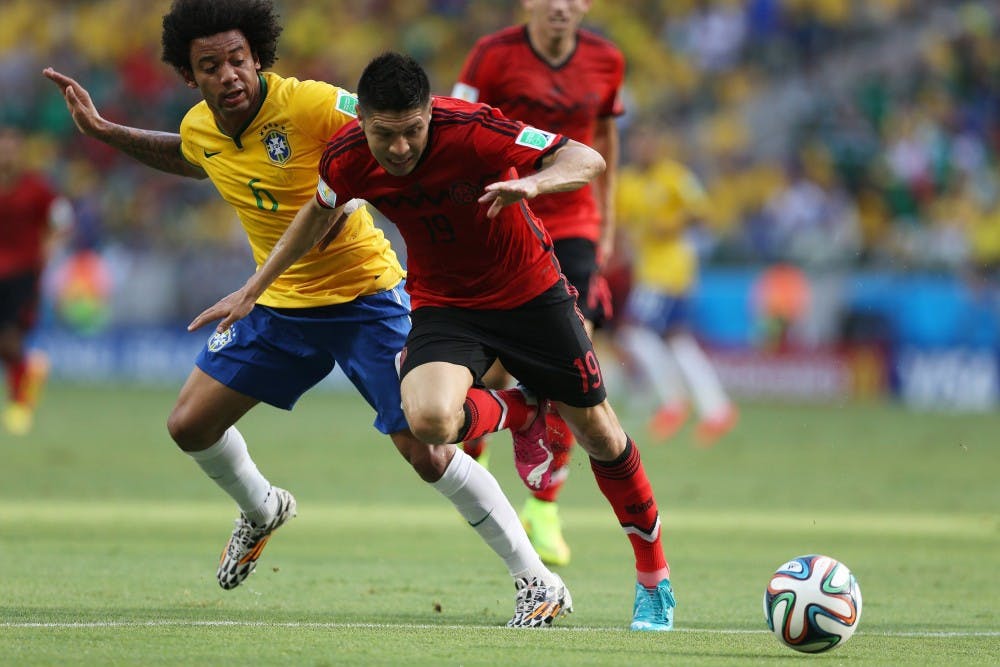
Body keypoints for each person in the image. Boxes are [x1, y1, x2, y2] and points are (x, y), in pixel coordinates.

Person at [43, 0, 570, 628]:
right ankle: (263, 508)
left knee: (427, 453)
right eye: (210, 65)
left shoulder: (315, 103)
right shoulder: (203, 127)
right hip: (278, 304)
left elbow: (390, 132)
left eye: (238, 59)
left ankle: (537, 581)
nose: (229, 74)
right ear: (191, 76)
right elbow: (191, 155)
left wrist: (392, 179)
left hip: (365, 297)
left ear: (258, 55)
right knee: (188, 426)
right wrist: (107, 132)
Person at [193, 52, 676, 631]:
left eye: (413, 132)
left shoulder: (472, 130)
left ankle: (654, 580)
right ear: (362, 123)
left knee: (599, 433)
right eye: (385, 135)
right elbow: (316, 215)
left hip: (530, 292)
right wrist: (253, 289)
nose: (400, 149)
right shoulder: (346, 157)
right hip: (446, 306)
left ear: (430, 114)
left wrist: (536, 185)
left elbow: (586, 156)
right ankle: (525, 413)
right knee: (426, 422)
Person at [449, 0, 625, 567]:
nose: (559, 5)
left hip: (574, 222)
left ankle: (544, 507)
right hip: (502, 216)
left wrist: (609, 223)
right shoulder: (491, 56)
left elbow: (604, 141)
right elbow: (453, 122)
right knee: (499, 368)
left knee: (572, 358)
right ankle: (477, 455)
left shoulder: (606, 59)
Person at [614, 124, 737, 445]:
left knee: (635, 330)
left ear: (657, 146)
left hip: (672, 269)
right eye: (639, 143)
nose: (644, 149)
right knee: (676, 340)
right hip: (647, 270)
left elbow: (703, 214)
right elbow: (622, 225)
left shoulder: (675, 177)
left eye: (649, 143)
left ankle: (674, 402)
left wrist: (672, 224)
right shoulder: (626, 183)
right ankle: (716, 409)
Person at [0, 126, 73, 436]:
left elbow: (62, 219)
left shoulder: (37, 188)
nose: (7, 153)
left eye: (12, 148)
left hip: (22, 274)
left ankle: (19, 405)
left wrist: (51, 246)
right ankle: (30, 371)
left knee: (9, 338)